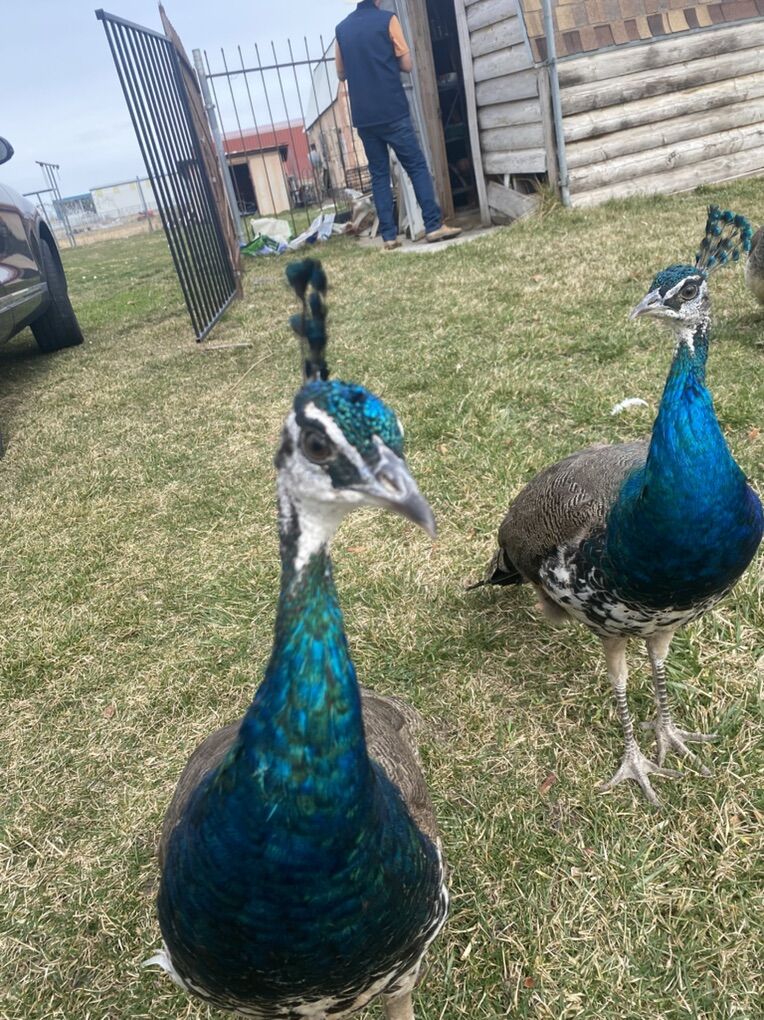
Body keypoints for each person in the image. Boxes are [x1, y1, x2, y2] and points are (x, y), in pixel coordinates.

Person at [335, 0, 461, 250]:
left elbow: (341, 74)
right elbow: (407, 64)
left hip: (365, 117)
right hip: (392, 109)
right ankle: (433, 226)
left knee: (379, 175)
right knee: (415, 166)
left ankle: (389, 237)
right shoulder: (388, 20)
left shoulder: (341, 30)